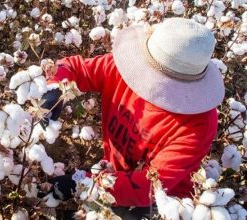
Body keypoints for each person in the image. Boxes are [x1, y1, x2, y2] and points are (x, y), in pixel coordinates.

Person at [38, 18, 225, 219]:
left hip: (162, 203)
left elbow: (148, 187)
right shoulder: (126, 69)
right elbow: (75, 68)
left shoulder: (198, 126)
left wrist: (82, 182)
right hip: (113, 174)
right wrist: (54, 89)